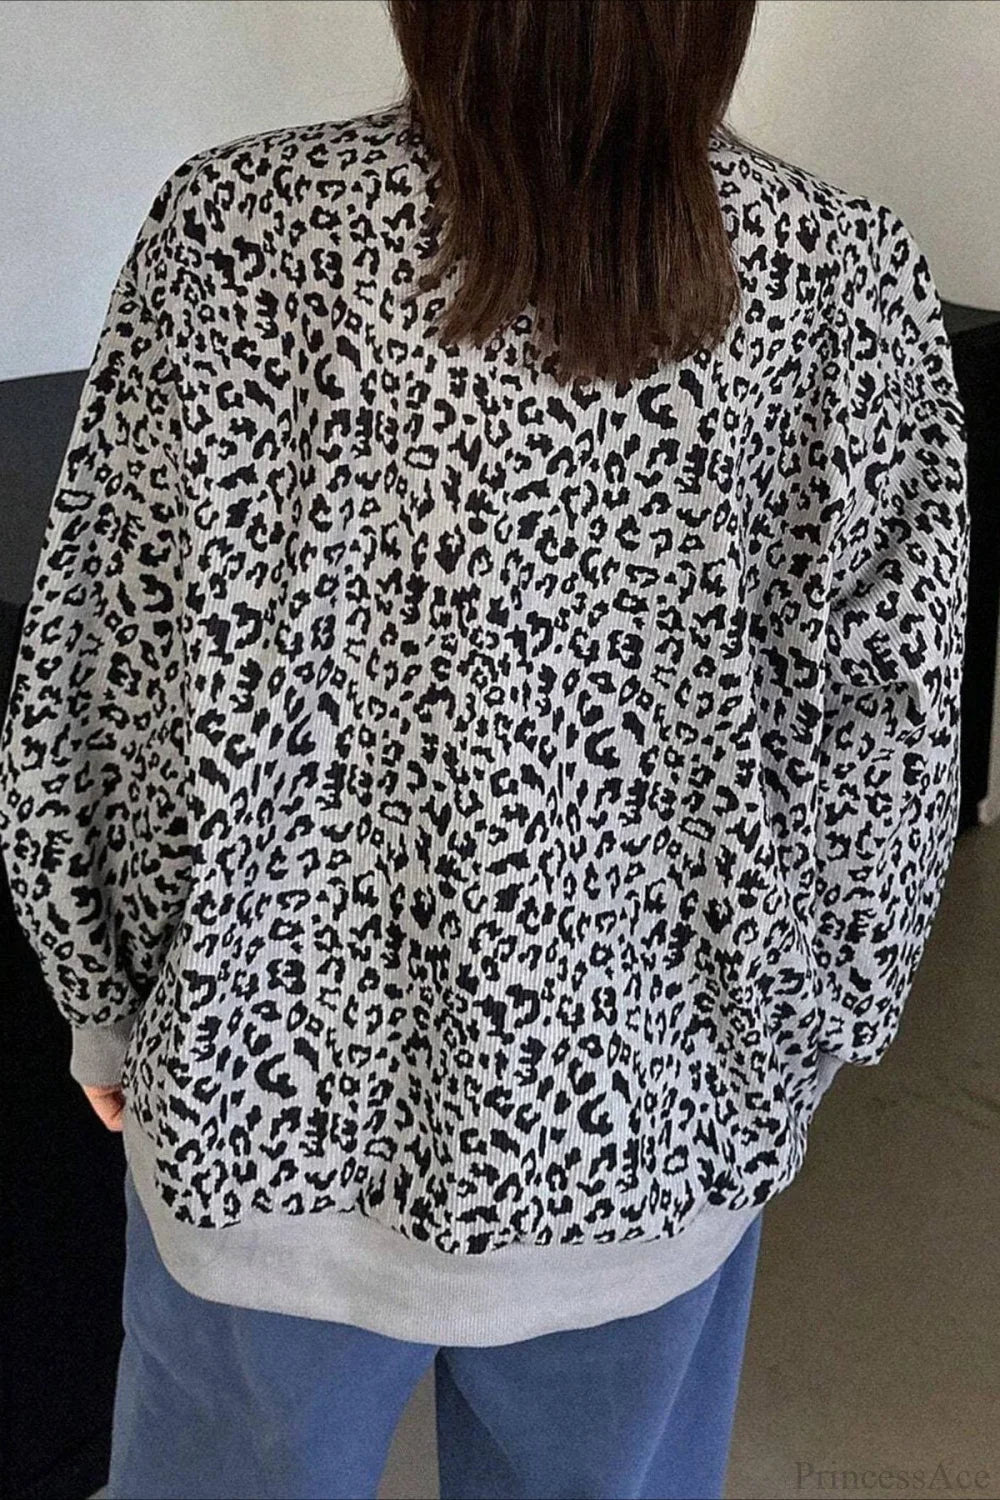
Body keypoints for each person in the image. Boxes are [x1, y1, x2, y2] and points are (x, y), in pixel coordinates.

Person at [0, 1, 969, 1496]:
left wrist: (108, 998)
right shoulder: (840, 274)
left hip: (261, 1124)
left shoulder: (235, 232)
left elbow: (116, 666)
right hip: (654, 1133)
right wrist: (786, 1042)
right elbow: (886, 746)